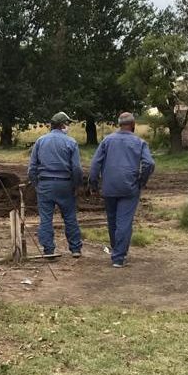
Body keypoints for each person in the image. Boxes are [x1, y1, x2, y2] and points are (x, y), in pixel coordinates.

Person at [88, 112, 155, 268]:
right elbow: (149, 164)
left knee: (112, 220)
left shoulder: (107, 140)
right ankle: (118, 257)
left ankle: (116, 249)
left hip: (109, 186)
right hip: (129, 186)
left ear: (119, 124)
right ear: (133, 125)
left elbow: (95, 164)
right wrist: (142, 180)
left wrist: (93, 184)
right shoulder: (139, 142)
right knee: (124, 221)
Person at [27, 111, 83, 258]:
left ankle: (48, 250)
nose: (68, 126)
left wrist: (36, 184)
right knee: (70, 217)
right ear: (63, 125)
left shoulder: (40, 141)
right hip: (65, 184)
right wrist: (76, 185)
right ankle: (75, 248)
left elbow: (32, 167)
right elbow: (76, 168)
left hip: (45, 184)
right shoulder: (71, 142)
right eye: (68, 124)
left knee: (46, 218)